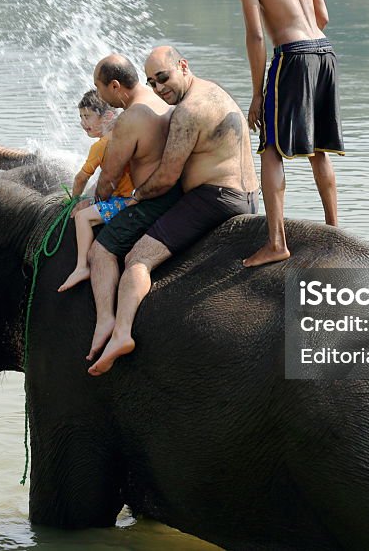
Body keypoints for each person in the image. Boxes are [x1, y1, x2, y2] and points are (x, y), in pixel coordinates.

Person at [87, 46, 259, 376]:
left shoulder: (187, 111)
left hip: (214, 198)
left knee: (138, 258)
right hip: (247, 195)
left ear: (182, 66)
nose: (158, 88)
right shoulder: (213, 90)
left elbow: (166, 178)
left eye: (163, 78)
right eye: (151, 83)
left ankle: (121, 333)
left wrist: (136, 196)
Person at [223, 0, 344, 267]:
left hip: (291, 56)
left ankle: (276, 242)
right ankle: (335, 231)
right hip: (324, 52)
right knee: (318, 148)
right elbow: (323, 16)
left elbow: (256, 36)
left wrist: (257, 93)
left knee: (271, 148)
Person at [85, 53, 181, 364]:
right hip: (179, 192)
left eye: (99, 88)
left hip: (153, 199)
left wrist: (90, 202)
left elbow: (109, 179)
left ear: (115, 86)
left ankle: (105, 321)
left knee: (100, 251)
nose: (99, 96)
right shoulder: (161, 101)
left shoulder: (130, 118)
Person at [57, 89, 134, 293]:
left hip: (123, 202)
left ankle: (82, 266)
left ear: (108, 116)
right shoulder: (126, 135)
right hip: (133, 196)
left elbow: (82, 177)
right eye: (81, 117)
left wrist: (74, 200)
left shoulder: (101, 146)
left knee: (82, 218)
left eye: (88, 116)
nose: (83, 123)